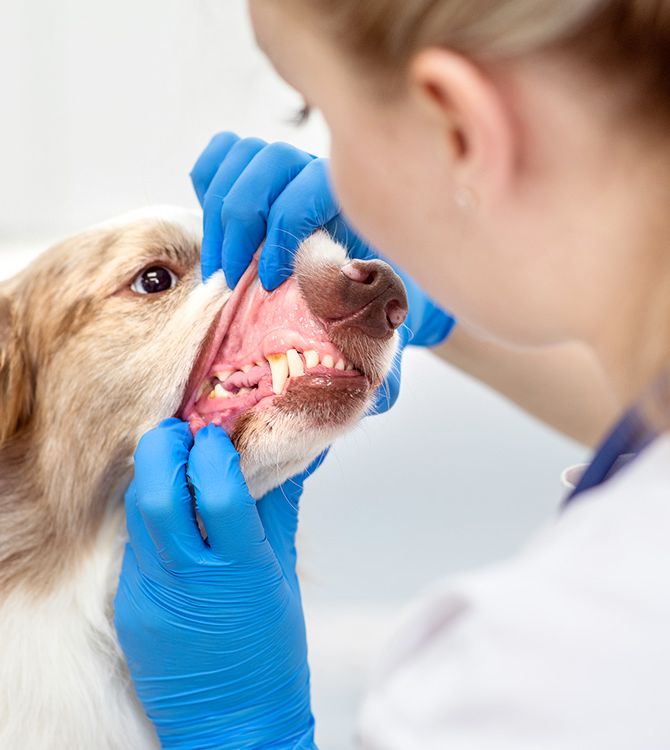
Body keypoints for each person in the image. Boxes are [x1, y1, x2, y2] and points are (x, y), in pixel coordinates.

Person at [113, 1, 670, 747]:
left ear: (459, 129)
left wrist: (244, 730)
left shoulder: (525, 686)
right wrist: (452, 283)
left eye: (316, 110)